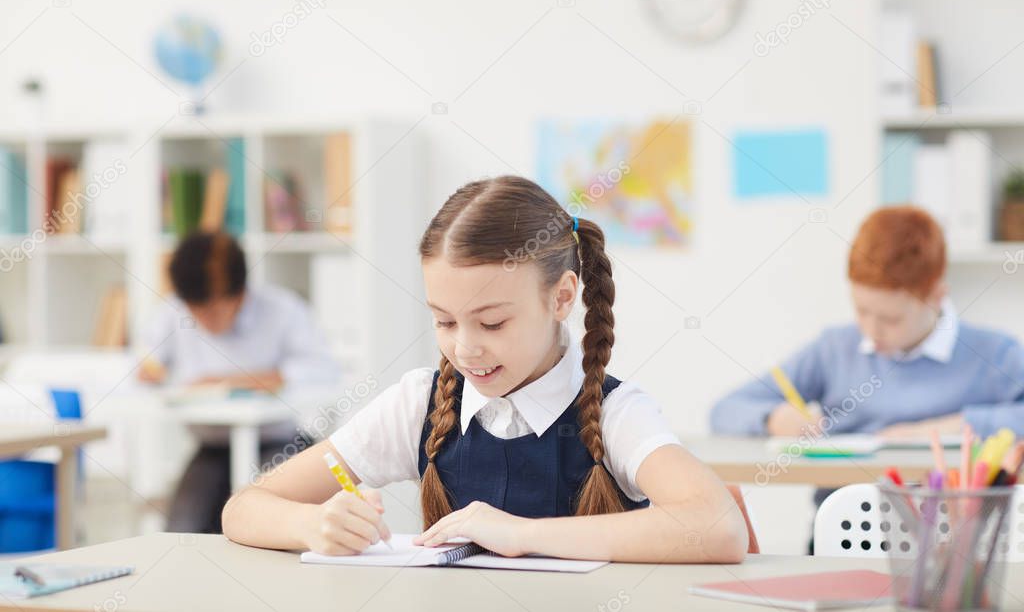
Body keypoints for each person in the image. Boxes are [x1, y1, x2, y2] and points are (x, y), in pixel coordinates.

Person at [221, 175, 748, 563]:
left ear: (562, 297)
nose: (465, 349)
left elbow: (720, 526)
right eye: (445, 322)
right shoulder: (418, 405)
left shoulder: (615, 414)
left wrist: (523, 535)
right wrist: (314, 523)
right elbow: (244, 508)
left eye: (492, 323)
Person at [711, 205, 1024, 441]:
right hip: (846, 523)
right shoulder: (834, 350)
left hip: (957, 525)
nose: (871, 332)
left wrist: (948, 428)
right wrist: (773, 418)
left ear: (937, 296)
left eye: (891, 319)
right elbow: (725, 410)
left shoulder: (996, 354)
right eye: (861, 311)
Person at [140, 231, 340, 533]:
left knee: (268, 524)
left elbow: (323, 370)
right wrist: (152, 372)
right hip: (213, 448)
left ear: (240, 294)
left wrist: (250, 380)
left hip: (279, 442)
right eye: (194, 311)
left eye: (211, 310)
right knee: (183, 528)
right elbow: (145, 366)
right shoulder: (175, 312)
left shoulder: (283, 310)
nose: (201, 320)